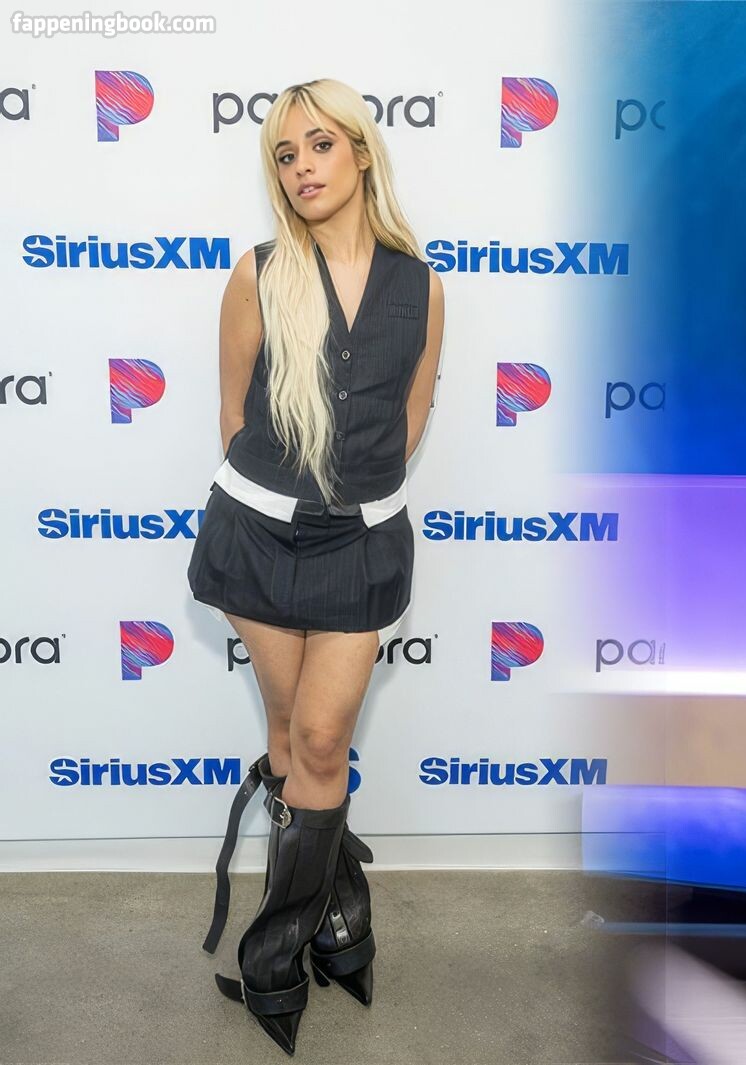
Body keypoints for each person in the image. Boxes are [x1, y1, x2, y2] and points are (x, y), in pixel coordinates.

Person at [185, 77, 445, 1055]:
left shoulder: (422, 284)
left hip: (361, 543)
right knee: (293, 736)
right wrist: (278, 493)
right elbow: (232, 411)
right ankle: (330, 929)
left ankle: (279, 947)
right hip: (256, 535)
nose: (302, 167)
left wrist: (353, 494)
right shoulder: (257, 273)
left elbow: (412, 414)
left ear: (362, 152)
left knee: (321, 739)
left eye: (321, 144)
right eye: (285, 155)